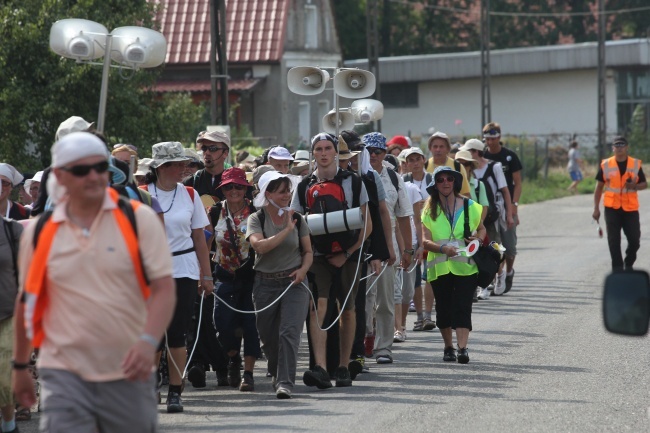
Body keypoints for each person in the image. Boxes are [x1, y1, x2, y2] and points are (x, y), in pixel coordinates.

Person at [13, 132, 176, 432]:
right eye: (80, 170)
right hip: (63, 375)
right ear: (60, 176)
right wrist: (21, 366)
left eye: (99, 168)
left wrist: (147, 342)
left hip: (128, 370)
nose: (92, 176)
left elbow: (164, 288)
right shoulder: (39, 233)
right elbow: (28, 301)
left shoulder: (139, 220)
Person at [291, 132, 372, 388]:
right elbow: (296, 222)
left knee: (347, 309)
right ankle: (320, 367)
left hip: (348, 255)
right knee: (317, 307)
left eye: (328, 148)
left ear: (336, 152)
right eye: (318, 149)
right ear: (313, 153)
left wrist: (347, 253)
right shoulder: (303, 185)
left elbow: (367, 224)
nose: (323, 153)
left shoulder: (354, 182)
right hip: (316, 255)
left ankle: (344, 367)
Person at [143, 141, 214, 413]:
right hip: (151, 271)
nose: (184, 168)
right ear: (162, 167)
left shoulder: (190, 194)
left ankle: (175, 390)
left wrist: (206, 275)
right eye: (178, 164)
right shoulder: (141, 194)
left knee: (176, 333)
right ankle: (151, 385)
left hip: (183, 268)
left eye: (184, 163)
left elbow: (199, 236)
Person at [247, 171, 312, 399]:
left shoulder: (298, 218)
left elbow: (308, 252)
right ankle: (276, 370)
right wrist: (286, 230)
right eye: (282, 191)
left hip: (293, 283)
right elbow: (260, 247)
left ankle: (285, 382)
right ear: (268, 193)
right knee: (268, 337)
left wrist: (303, 271)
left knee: (289, 333)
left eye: (288, 190)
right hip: (264, 284)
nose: (287, 195)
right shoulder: (257, 219)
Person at [183, 130, 234, 389]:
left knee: (222, 317)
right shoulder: (191, 184)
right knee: (195, 312)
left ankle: (226, 361)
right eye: (204, 149)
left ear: (225, 152)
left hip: (229, 259)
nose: (207, 154)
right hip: (195, 256)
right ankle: (199, 364)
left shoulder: (236, 183)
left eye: (213, 149)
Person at [421, 166, 486, 364]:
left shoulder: (471, 206)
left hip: (466, 266)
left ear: (455, 182)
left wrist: (478, 240)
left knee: (463, 307)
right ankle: (448, 346)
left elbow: (482, 230)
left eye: (449, 178)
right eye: (440, 180)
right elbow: (425, 241)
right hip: (440, 267)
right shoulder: (428, 209)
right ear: (435, 185)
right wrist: (442, 250)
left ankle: (463, 348)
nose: (446, 182)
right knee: (444, 310)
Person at [208, 168, 260, 391]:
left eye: (238, 186)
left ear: (245, 188)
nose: (234, 190)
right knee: (223, 323)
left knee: (251, 325)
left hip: (251, 276)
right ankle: (233, 358)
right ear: (222, 190)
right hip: (224, 275)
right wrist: (203, 273)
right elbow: (206, 242)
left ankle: (248, 374)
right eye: (229, 186)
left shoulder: (256, 212)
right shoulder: (214, 212)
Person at [363, 132, 412, 364]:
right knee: (364, 298)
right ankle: (364, 340)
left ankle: (384, 347)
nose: (373, 155)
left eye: (378, 151)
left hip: (389, 241)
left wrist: (407, 250)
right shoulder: (356, 175)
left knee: (385, 298)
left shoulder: (393, 177)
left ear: (385, 153)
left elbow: (403, 216)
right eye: (368, 151)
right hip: (363, 242)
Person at [459, 138, 514, 297]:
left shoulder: (478, 183)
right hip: (463, 225)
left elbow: (484, 205)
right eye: (459, 164)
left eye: (465, 163)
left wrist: (478, 224)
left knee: (492, 251)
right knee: (471, 256)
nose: (462, 167)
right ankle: (481, 287)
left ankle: (499, 274)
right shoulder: (450, 183)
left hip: (485, 222)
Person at [593, 136, 647, 271]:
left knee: (634, 241)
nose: (619, 147)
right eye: (616, 145)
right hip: (612, 209)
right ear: (612, 148)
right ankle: (617, 270)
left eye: (622, 145)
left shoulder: (635, 164)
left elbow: (644, 184)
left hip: (630, 209)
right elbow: (599, 187)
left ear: (627, 147)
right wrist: (596, 209)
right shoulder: (606, 164)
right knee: (613, 241)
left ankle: (628, 263)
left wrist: (635, 185)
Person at [482, 122, 522, 293]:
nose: (490, 141)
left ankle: (509, 271)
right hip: (490, 207)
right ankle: (496, 276)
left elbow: (517, 183)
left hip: (507, 205)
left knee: (509, 247)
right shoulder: (482, 156)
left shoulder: (509, 156)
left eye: (493, 138)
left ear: (499, 137)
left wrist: (514, 205)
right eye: (487, 138)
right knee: (494, 245)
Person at [402, 147, 437, 331]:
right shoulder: (403, 181)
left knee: (430, 274)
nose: (414, 163)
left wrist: (426, 204)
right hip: (413, 233)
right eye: (411, 160)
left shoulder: (433, 179)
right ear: (406, 163)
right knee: (414, 277)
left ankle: (429, 315)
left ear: (424, 160)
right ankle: (420, 317)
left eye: (417, 159)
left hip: (432, 231)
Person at [0, 216, 21, 433]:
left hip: (7, 315)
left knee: (4, 375)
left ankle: (8, 424)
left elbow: (26, 274)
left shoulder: (11, 229)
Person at [425, 131, 471, 196]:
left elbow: (465, 193)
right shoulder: (424, 166)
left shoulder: (457, 166)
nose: (438, 149)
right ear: (430, 148)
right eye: (435, 146)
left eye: (441, 147)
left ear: (448, 149)